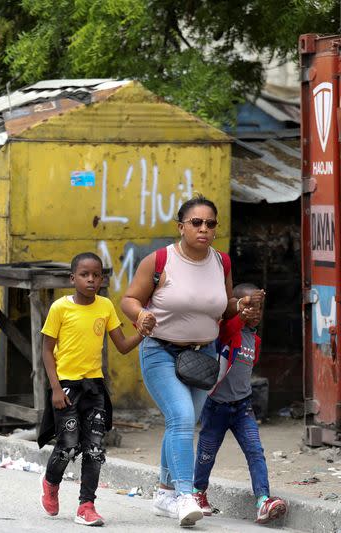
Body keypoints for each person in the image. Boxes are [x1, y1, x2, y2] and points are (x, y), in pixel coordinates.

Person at [120, 196, 263, 527]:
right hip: (160, 351)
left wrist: (240, 305)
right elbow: (129, 299)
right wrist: (141, 314)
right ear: (181, 226)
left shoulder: (221, 262)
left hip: (204, 356)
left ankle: (163, 492)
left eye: (210, 223)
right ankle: (185, 494)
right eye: (196, 222)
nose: (203, 228)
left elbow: (222, 307)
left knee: (180, 423)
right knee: (182, 418)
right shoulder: (159, 261)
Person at [38, 252, 143, 526]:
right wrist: (55, 389)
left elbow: (121, 346)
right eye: (84, 275)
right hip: (67, 387)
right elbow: (47, 351)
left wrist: (143, 332)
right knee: (68, 446)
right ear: (73, 278)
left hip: (94, 388)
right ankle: (51, 482)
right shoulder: (60, 308)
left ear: (102, 279)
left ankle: (86, 505)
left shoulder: (106, 306)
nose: (91, 280)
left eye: (96, 275)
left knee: (95, 449)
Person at [193, 283, 287, 524]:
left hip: (243, 406)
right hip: (216, 407)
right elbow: (232, 323)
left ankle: (263, 501)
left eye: (258, 308)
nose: (253, 312)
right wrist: (240, 312)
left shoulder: (254, 340)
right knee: (206, 454)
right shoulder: (226, 329)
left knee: (255, 452)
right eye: (247, 307)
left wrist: (252, 308)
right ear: (235, 308)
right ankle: (198, 494)